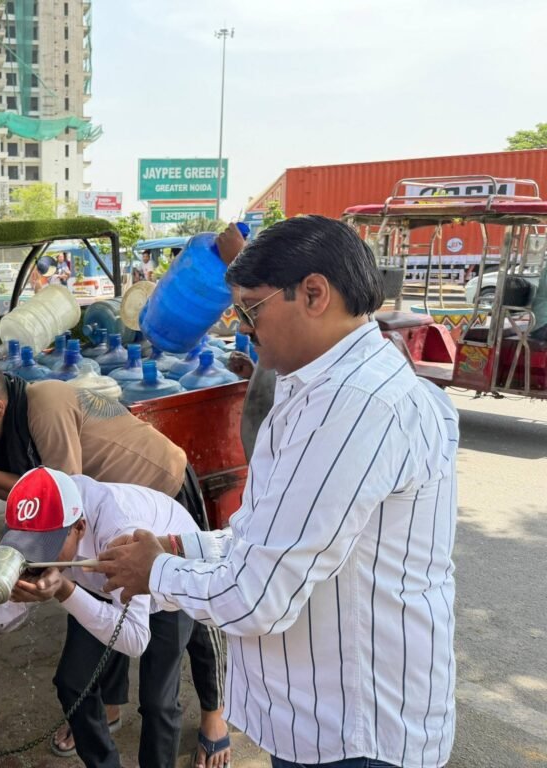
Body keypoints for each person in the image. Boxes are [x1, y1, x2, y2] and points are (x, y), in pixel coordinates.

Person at [97, 215, 459, 768]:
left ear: (313, 294)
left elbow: (258, 596)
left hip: (356, 734)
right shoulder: (320, 387)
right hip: (323, 714)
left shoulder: (356, 407)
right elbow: (267, 535)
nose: (242, 327)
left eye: (251, 309)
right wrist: (179, 547)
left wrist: (158, 573)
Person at [0, 356, 232, 767]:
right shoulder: (9, 450)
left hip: (158, 504)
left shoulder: (45, 405)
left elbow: (60, 492)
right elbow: (45, 517)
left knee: (172, 663)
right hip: (94, 522)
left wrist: (65, 589)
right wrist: (14, 585)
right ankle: (107, 715)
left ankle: (214, 713)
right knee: (78, 671)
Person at [0, 466, 198, 768]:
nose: (38, 557)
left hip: (167, 583)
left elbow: (135, 639)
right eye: (29, 547)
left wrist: (64, 590)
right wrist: (10, 586)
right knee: (72, 682)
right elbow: (3, 620)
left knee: (158, 702)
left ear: (79, 527)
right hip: (100, 582)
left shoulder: (120, 530)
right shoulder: (39, 516)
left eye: (48, 546)